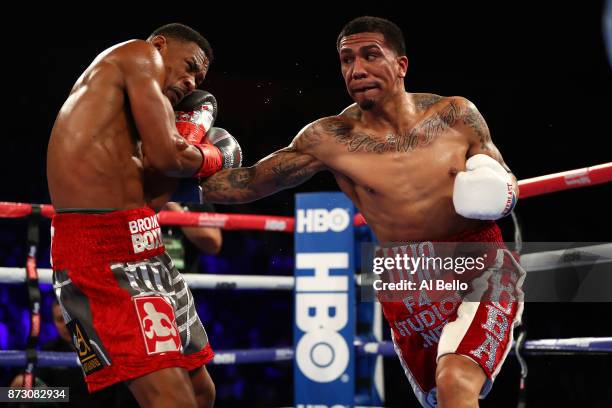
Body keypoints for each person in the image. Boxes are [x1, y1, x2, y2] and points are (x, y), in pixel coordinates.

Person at [199, 16, 523, 408]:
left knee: (456, 381)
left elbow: (503, 180)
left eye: (371, 55)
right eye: (347, 59)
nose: (357, 69)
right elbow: (248, 183)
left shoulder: (455, 115)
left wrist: (496, 187)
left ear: (401, 65)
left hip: (479, 265)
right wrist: (168, 174)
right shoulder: (330, 138)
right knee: (440, 396)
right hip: (406, 281)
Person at [47, 22, 241, 408]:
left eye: (198, 77)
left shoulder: (127, 128)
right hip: (100, 253)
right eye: (188, 66)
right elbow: (168, 157)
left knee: (203, 394)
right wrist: (216, 156)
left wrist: (187, 150)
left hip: (147, 246)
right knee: (172, 400)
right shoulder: (138, 54)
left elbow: (154, 194)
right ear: (161, 44)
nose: (190, 81)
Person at [10, 300, 138, 407]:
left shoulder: (105, 346)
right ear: (54, 323)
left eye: (69, 317)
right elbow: (10, 394)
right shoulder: (50, 350)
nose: (66, 325)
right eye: (60, 319)